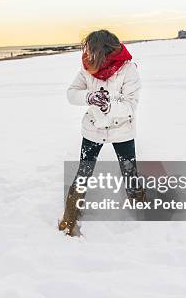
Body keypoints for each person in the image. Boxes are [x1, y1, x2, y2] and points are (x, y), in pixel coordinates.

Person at [59, 30, 145, 237]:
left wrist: (109, 106)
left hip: (122, 129)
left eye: (91, 49)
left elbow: (130, 104)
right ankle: (71, 215)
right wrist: (89, 97)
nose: (87, 54)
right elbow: (71, 94)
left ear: (104, 50)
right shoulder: (88, 68)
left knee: (129, 170)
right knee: (83, 172)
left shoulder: (128, 69)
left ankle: (139, 206)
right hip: (93, 129)